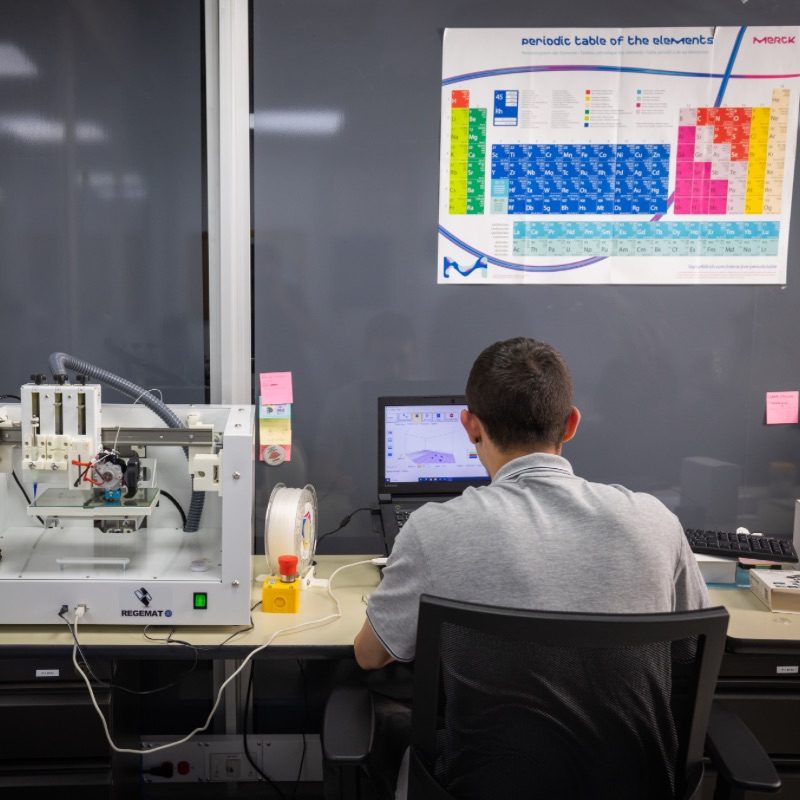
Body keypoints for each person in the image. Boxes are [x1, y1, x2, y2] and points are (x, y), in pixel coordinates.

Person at [351, 337, 710, 796]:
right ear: (572, 423)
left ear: (470, 426)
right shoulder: (655, 522)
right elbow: (689, 655)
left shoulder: (434, 531)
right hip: (632, 784)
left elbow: (370, 655)